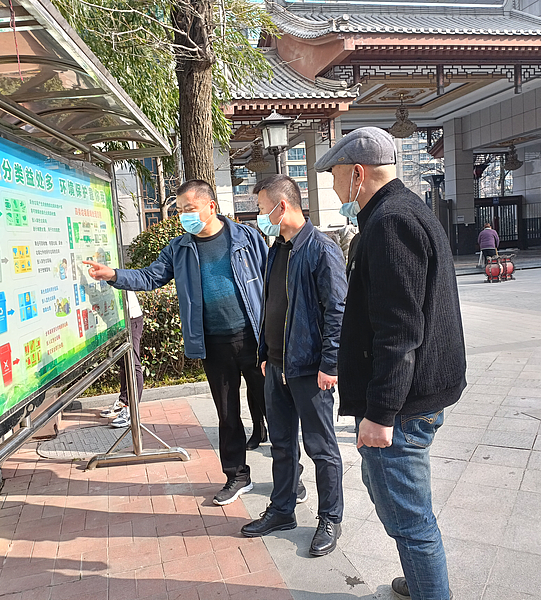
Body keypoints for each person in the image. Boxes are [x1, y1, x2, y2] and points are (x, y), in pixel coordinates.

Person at [315, 127, 466, 600]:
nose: (334, 187)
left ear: (357, 174)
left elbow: (399, 331)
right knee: (398, 502)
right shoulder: (404, 210)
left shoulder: (390, 222)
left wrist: (380, 414)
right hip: (414, 393)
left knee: (409, 517)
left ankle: (429, 590)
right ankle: (421, 581)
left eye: (335, 176)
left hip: (401, 404)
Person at [83, 180, 268, 505]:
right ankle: (237, 476)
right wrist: (114, 275)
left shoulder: (246, 237)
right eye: (180, 210)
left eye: (190, 209)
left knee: (275, 408)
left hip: (255, 337)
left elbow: (271, 279)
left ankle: (289, 478)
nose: (184, 216)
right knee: (227, 415)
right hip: (214, 344)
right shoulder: (179, 249)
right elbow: (150, 276)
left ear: (211, 206)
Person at [240, 175, 347, 558]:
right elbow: (272, 304)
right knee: (282, 446)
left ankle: (330, 518)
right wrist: (265, 353)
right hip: (276, 366)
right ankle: (282, 510)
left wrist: (329, 363)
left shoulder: (321, 249)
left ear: (281, 206)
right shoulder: (278, 248)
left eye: (261, 207)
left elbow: (337, 310)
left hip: (309, 369)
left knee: (321, 448)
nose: (259, 215)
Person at [100, 290, 144, 428]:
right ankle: (123, 401)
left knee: (133, 363)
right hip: (117, 319)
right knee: (124, 363)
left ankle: (131, 410)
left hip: (130, 318)